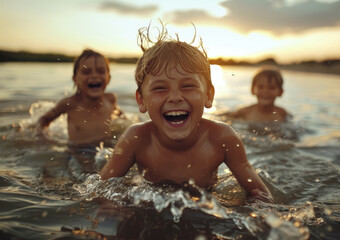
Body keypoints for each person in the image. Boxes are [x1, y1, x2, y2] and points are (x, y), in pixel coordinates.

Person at [100, 23, 273, 202]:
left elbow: (261, 194)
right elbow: (101, 190)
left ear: (208, 95)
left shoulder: (222, 138)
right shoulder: (136, 139)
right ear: (141, 100)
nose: (175, 97)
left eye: (188, 86)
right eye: (160, 88)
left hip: (205, 208)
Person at [36, 49, 124, 145]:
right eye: (86, 72)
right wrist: (43, 136)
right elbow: (43, 120)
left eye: (101, 71)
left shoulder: (111, 99)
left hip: (105, 148)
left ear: (109, 78)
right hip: (76, 151)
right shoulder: (69, 104)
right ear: (75, 79)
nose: (94, 75)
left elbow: (120, 115)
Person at [221, 65, 287, 122]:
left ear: (280, 92)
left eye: (271, 88)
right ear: (252, 90)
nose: (265, 91)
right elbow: (224, 117)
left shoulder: (282, 113)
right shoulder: (245, 111)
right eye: (260, 87)